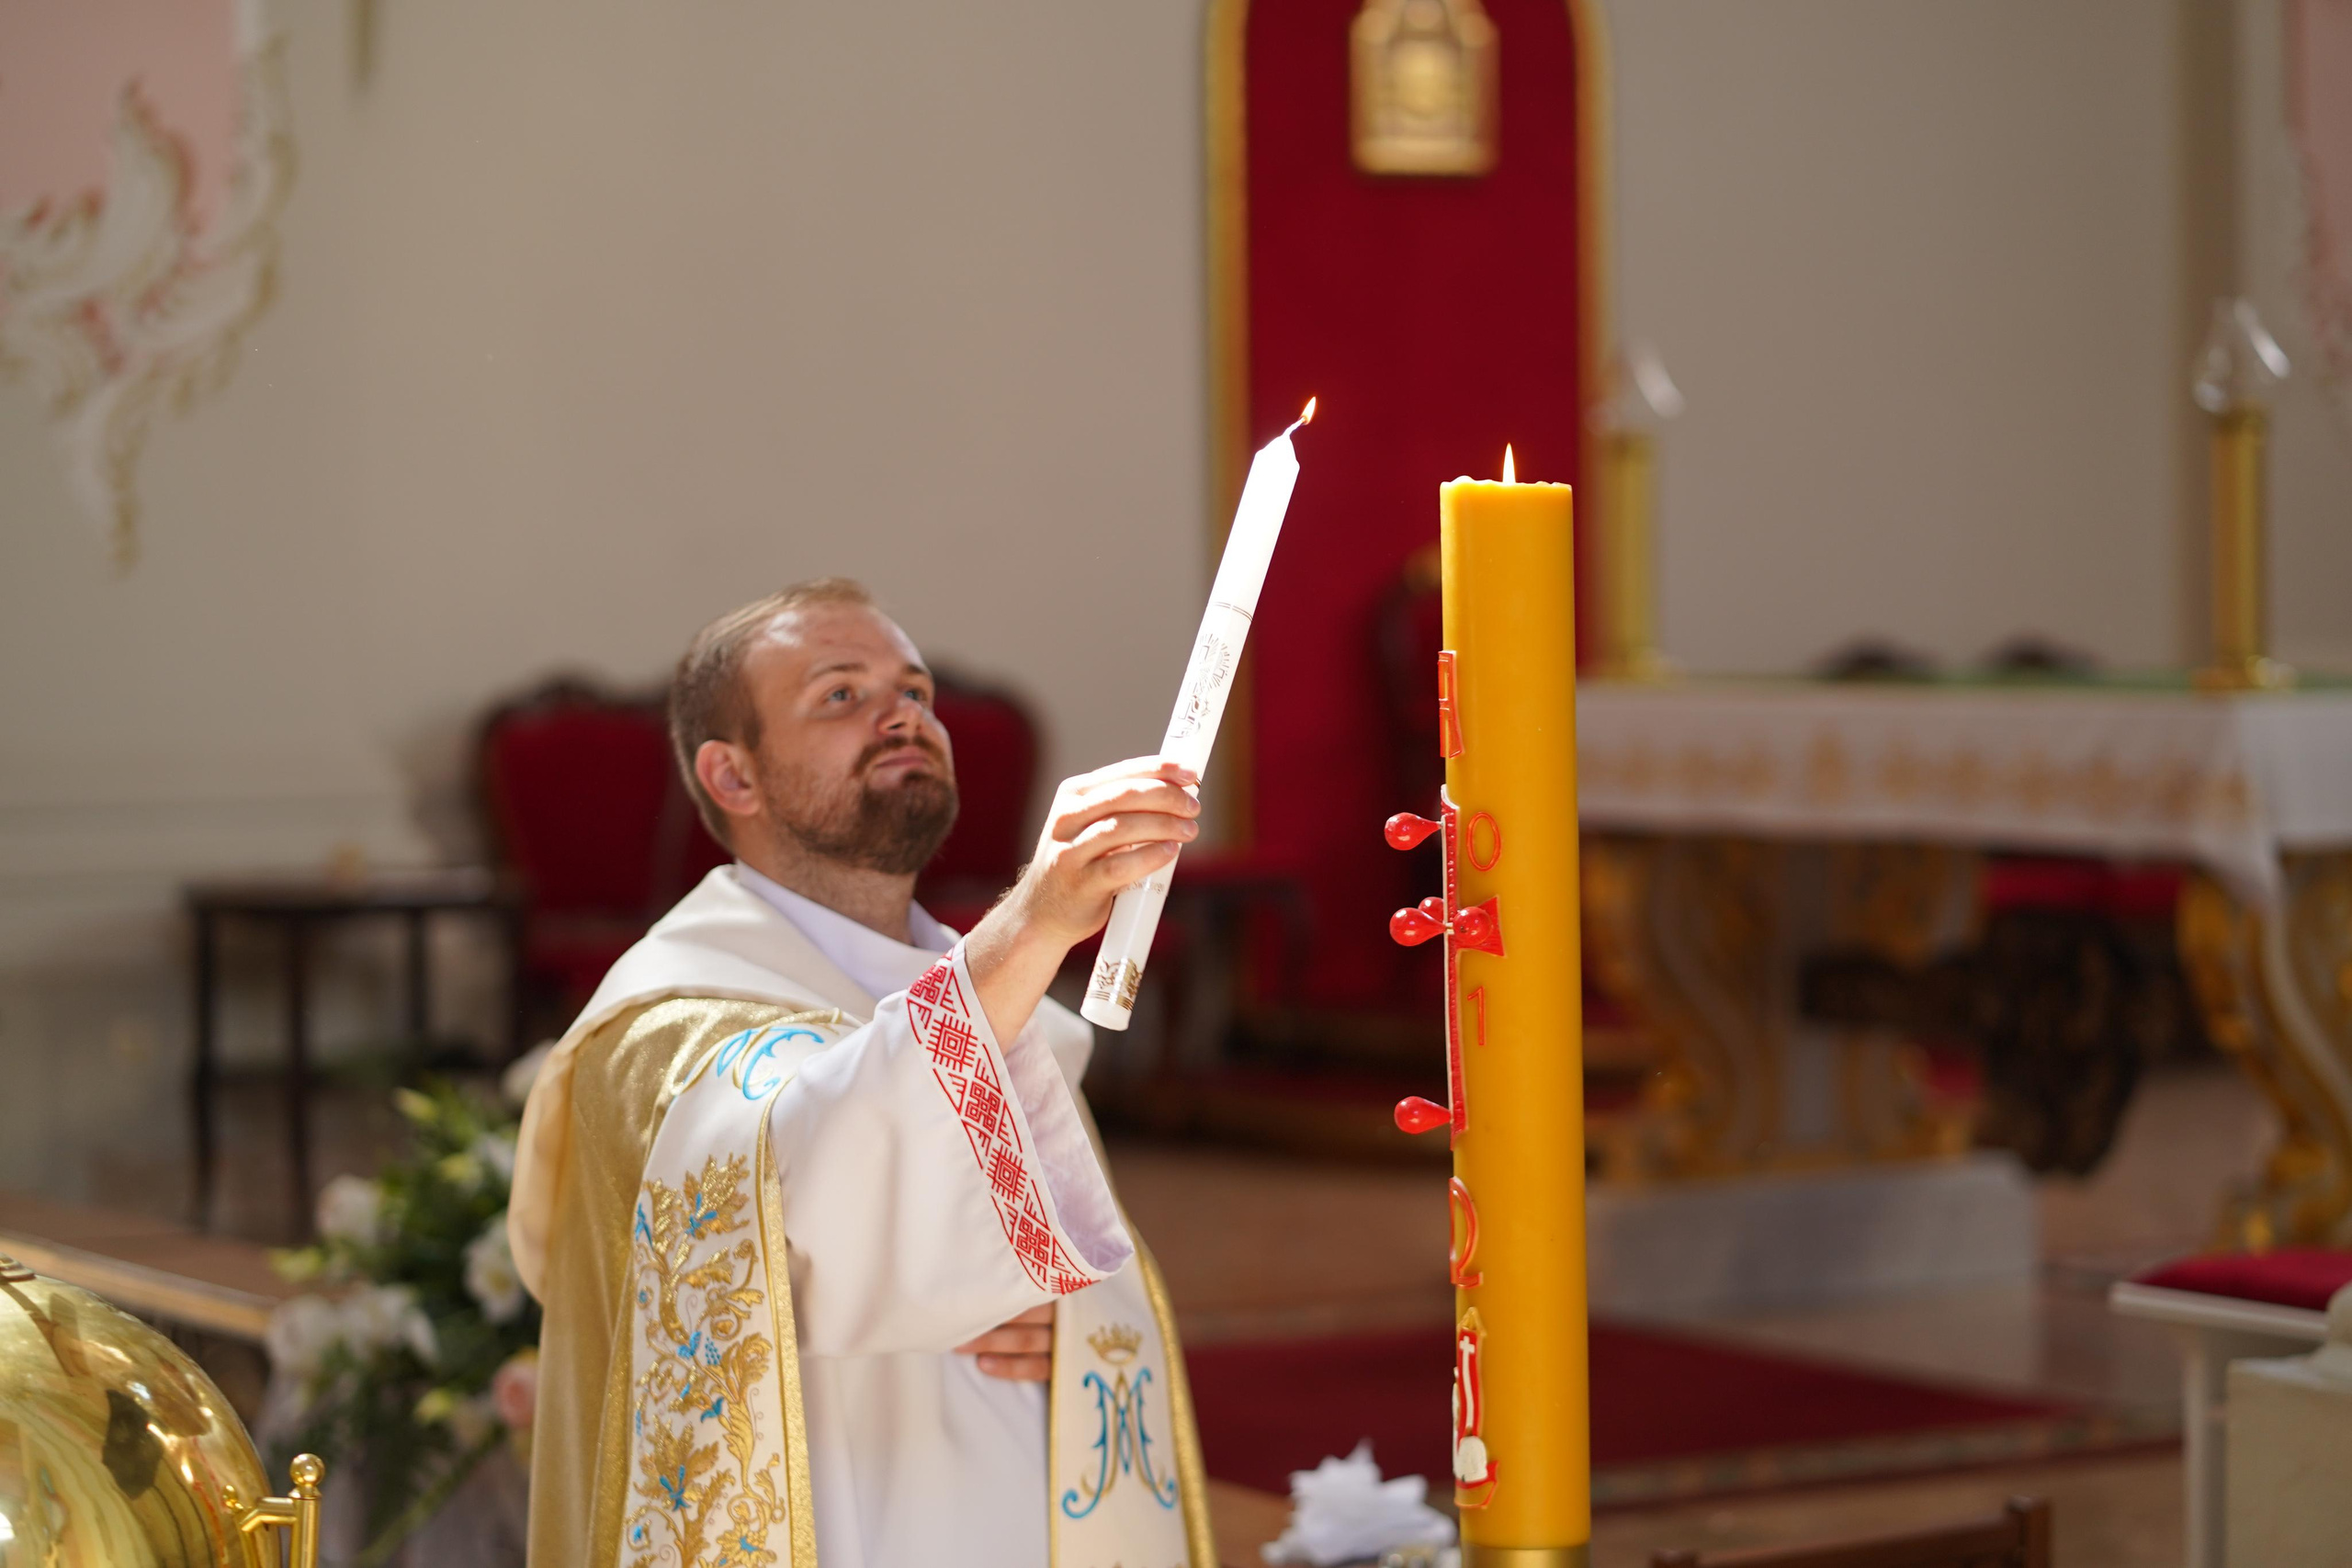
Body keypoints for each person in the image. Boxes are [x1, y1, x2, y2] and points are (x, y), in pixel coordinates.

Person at [508, 578, 1213, 1568]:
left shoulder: (1006, 1025)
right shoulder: (661, 1027)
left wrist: (1075, 1323)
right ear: (733, 776)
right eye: (841, 695)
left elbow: (1068, 1265)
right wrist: (1035, 924)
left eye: (916, 692)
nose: (902, 716)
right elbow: (811, 1171)